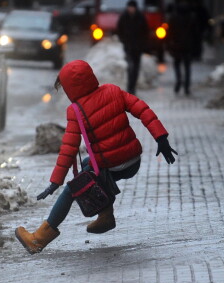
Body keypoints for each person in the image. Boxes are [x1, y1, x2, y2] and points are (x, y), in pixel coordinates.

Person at [15, 59, 178, 254]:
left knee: (72, 188)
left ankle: (39, 238)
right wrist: (161, 139)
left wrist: (55, 182)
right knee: (87, 164)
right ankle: (106, 216)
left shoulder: (75, 110)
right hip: (133, 161)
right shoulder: (113, 90)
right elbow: (143, 110)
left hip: (111, 165)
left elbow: (69, 148)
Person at [116, 0, 148, 95]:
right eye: (129, 7)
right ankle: (130, 87)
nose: (131, 9)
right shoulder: (124, 17)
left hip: (138, 47)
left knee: (136, 68)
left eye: (132, 7)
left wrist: (142, 43)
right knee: (130, 67)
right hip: (128, 46)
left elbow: (145, 31)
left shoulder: (140, 17)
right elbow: (119, 29)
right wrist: (123, 40)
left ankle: (133, 87)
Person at [166, 0, 197, 95]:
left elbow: (169, 33)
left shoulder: (173, 18)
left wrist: (169, 45)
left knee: (177, 65)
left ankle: (179, 80)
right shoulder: (192, 17)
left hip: (177, 46)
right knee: (187, 67)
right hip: (188, 46)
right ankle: (187, 87)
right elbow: (195, 33)